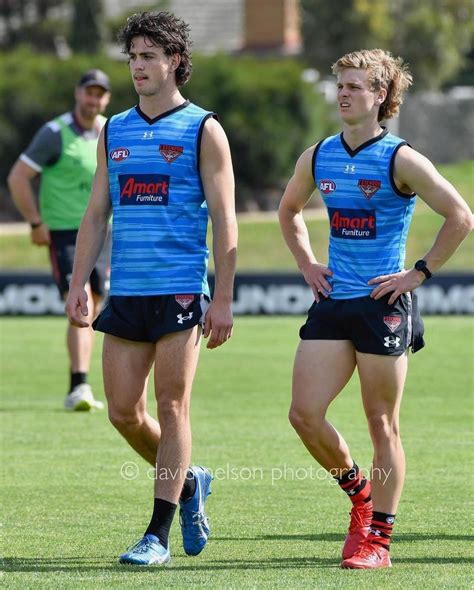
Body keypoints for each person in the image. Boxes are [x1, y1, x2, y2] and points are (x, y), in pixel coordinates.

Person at [278, 49, 472, 569]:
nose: (344, 94)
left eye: (357, 86)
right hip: (333, 302)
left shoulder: (401, 159)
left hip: (383, 306)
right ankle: (360, 498)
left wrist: (418, 273)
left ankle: (379, 543)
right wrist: (307, 263)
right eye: (340, 85)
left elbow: (460, 216)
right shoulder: (318, 155)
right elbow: (289, 210)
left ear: (382, 96)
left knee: (381, 422)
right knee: (303, 415)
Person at [65, 11, 237, 566]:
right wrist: (78, 285)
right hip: (127, 291)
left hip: (182, 289)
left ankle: (157, 535)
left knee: (172, 405)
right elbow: (96, 214)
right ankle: (190, 484)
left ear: (175, 62)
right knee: (121, 412)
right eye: (132, 57)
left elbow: (226, 220)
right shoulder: (113, 130)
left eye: (148, 57)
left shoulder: (203, 128)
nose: (138, 67)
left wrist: (225, 296)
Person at [7, 69, 112, 412]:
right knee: (80, 303)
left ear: (106, 99)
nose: (93, 100)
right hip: (67, 233)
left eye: (99, 94)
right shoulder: (54, 133)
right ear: (77, 94)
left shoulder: (112, 131)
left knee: (96, 303)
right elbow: (18, 177)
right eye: (88, 92)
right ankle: (79, 385)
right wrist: (36, 222)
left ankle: (87, 384)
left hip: (106, 232)